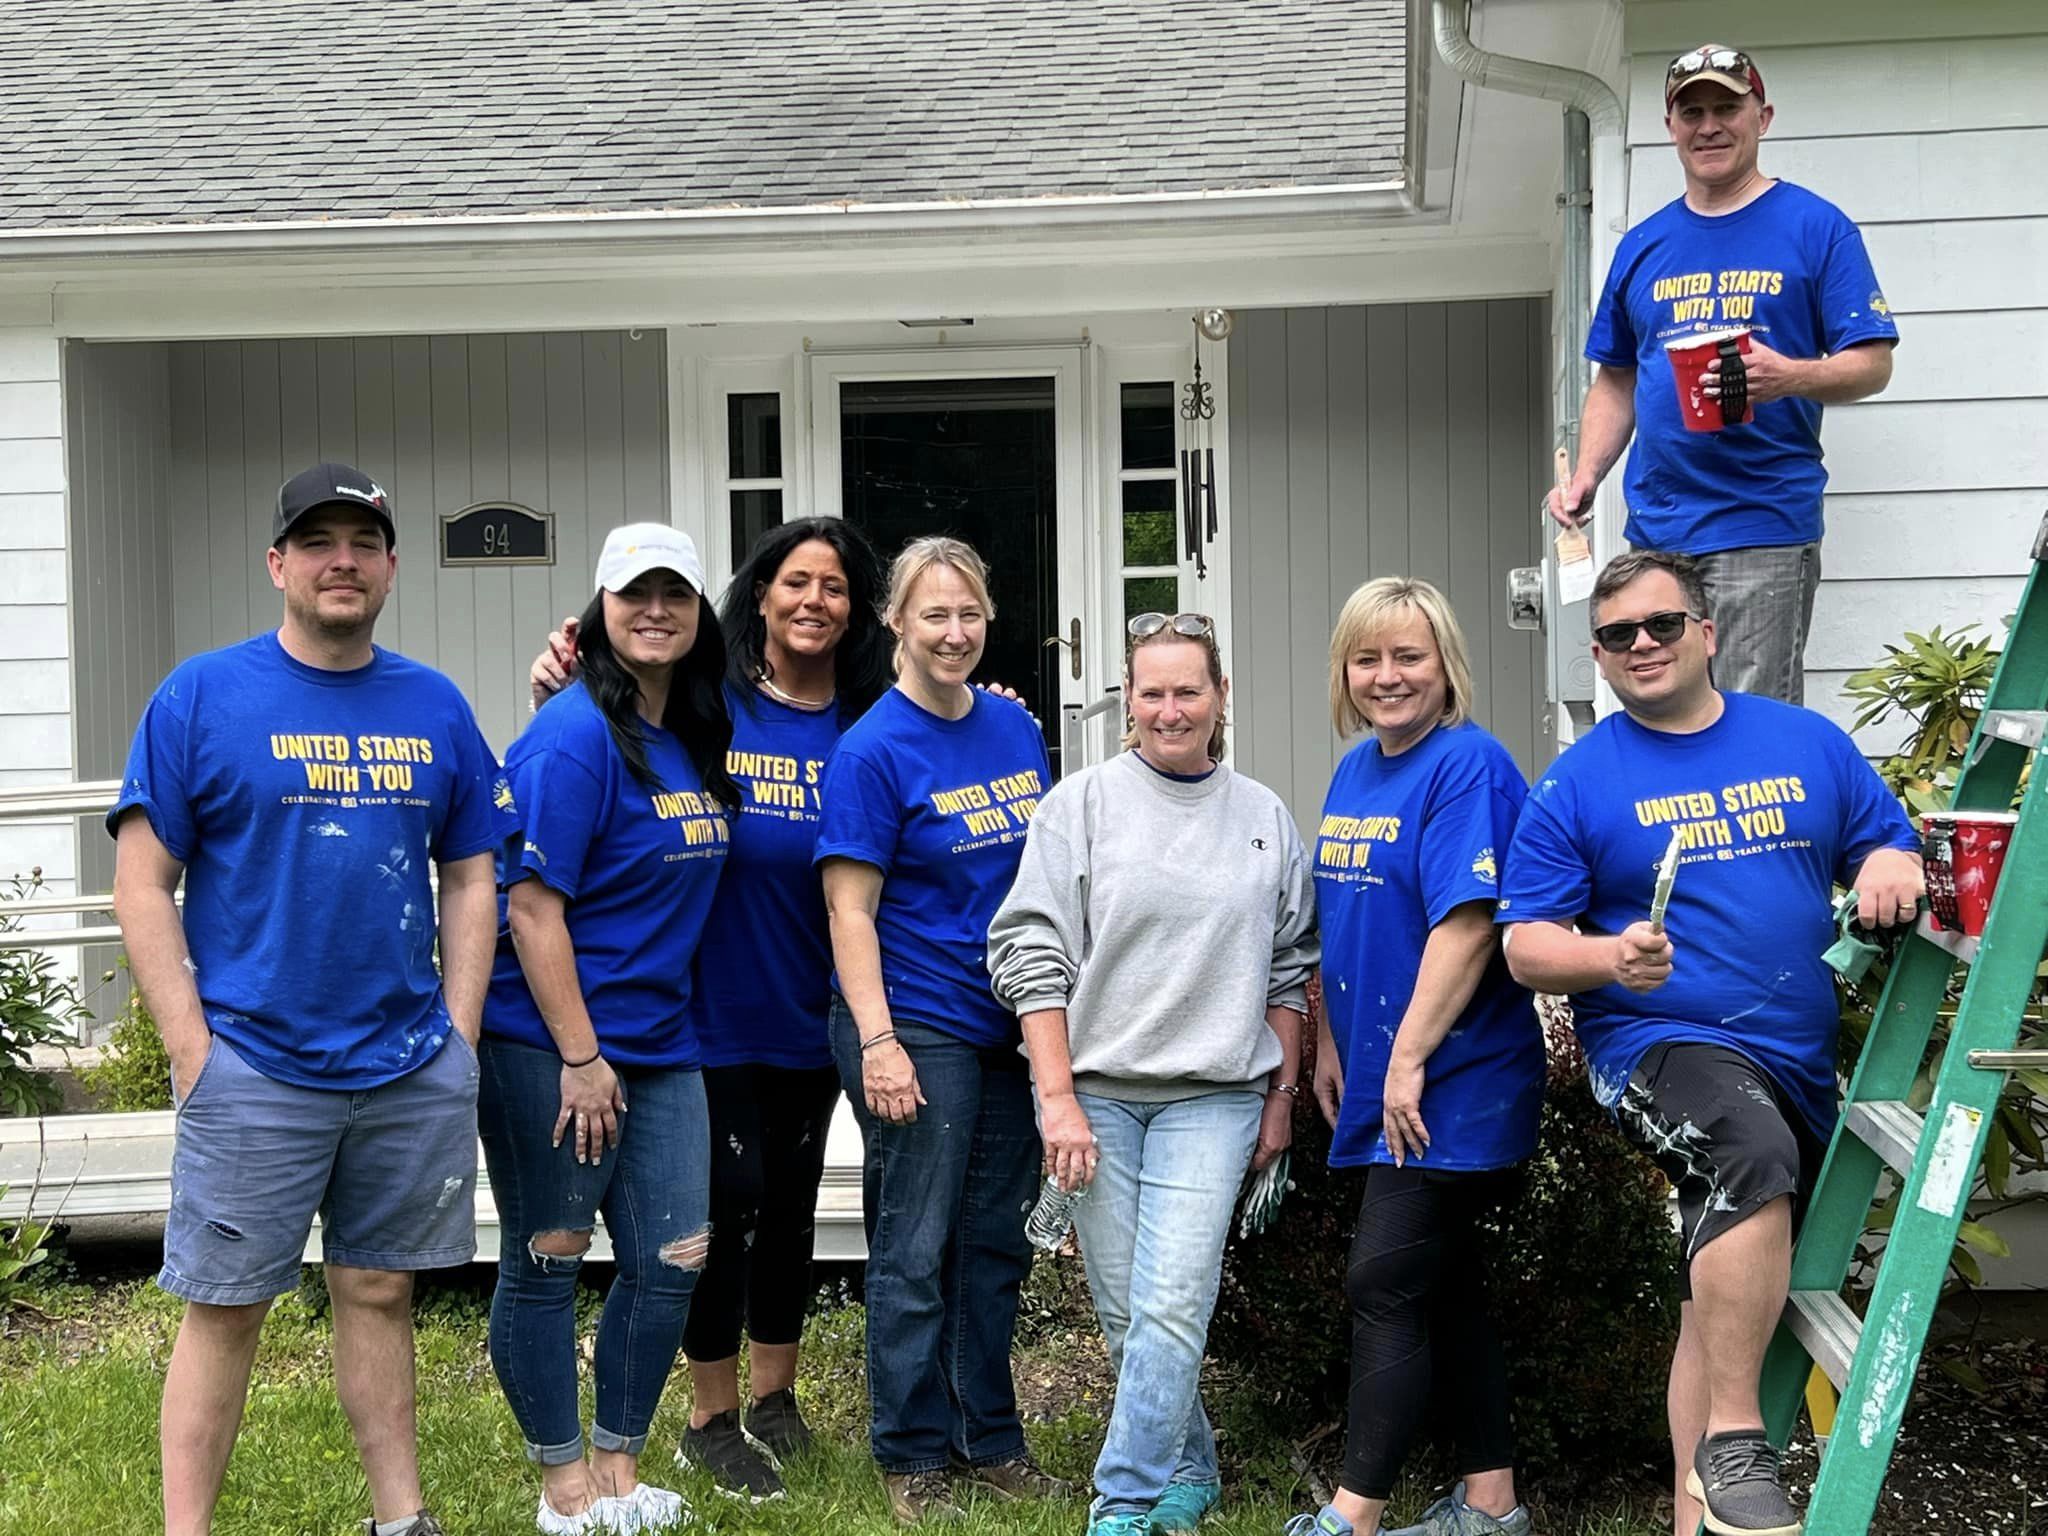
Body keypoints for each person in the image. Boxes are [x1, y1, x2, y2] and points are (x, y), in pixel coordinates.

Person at [108, 462, 515, 1536]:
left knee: (379, 1292)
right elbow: (142, 883)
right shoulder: (201, 695)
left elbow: (474, 870)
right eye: (319, 542)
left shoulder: (432, 703)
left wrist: (459, 1036)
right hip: (253, 1064)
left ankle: (401, 1519)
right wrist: (192, 1049)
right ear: (278, 564)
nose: (343, 561)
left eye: (364, 543)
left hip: (404, 1065)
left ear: (389, 566)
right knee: (228, 1306)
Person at [1497, 550, 1922, 1536]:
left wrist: (1888, 864)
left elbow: (1881, 838)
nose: (1639, 646)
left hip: (1789, 1058)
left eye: (1658, 625)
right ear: (1596, 656)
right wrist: (1606, 959)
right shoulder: (1576, 783)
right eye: (1615, 636)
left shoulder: (1803, 742)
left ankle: (1699, 1522)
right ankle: (1736, 1437)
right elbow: (1523, 945)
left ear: (1705, 631)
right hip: (1657, 1043)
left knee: (1715, 1281)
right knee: (1748, 1155)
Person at [987, 611, 1318, 1536]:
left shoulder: (1262, 818)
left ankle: (1122, 1506)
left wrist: (1281, 1100)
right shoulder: (1080, 806)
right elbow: (1029, 955)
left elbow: (1290, 969)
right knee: (1134, 1317)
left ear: (1221, 699)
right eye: (1152, 692)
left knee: (1173, 1303)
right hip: (1094, 1095)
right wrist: (1056, 1101)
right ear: (1127, 701)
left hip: (1214, 1098)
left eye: (1189, 690)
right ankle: (1193, 1469)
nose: (1170, 709)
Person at [480, 522, 738, 1535]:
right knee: (547, 1255)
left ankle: (620, 1472)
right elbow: (531, 907)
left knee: (672, 1255)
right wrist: (580, 1059)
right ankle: (562, 1488)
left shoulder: (692, 732)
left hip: (664, 1043)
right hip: (552, 1045)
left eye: (675, 592)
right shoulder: (571, 735)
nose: (656, 610)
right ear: (598, 612)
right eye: (634, 594)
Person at [817, 535, 1072, 1525]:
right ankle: (910, 1454)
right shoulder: (870, 751)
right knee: (914, 1246)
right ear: (894, 623)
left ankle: (989, 1439)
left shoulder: (1011, 729)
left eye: (968, 613)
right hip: (910, 1015)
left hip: (1004, 1018)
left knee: (991, 1243)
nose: (954, 632)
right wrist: (877, 1043)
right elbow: (848, 913)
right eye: (934, 615)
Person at [1286, 578, 1545, 1536]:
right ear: (1345, 674)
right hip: (1393, 1071)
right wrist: (1324, 1031)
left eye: (1409, 657)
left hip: (1454, 1081)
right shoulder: (1358, 768)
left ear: (1446, 668)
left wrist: (1402, 1061)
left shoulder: (1467, 765)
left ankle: (1352, 1518)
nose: (1387, 676)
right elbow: (1345, 916)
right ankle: (1491, 1504)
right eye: (1368, 658)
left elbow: (1470, 924)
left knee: (1383, 1281)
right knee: (1448, 1283)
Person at [1547, 43, 1899, 705]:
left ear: (1762, 117)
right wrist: (1589, 474)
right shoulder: (1643, 246)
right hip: (1656, 527)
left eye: (1726, 108)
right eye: (1692, 111)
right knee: (1657, 707)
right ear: (1671, 128)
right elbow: (1617, 378)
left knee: (1749, 718)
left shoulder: (1817, 228)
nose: (1709, 125)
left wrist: (1787, 375)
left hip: (1761, 524)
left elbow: (1872, 364)